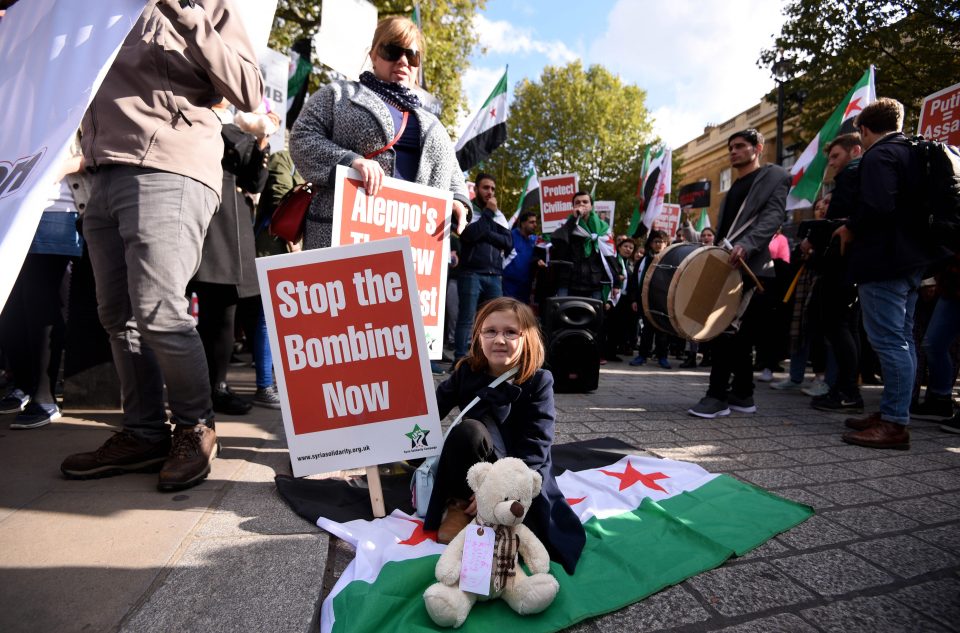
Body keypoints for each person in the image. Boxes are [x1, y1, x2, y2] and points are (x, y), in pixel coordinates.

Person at [60, 0, 263, 492]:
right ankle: (144, 432)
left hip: (169, 164)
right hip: (101, 170)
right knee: (117, 315)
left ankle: (195, 427)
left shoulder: (206, 4)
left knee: (158, 310)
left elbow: (250, 90)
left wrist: (186, 14)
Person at [423, 297, 585, 575]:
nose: (500, 339)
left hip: (519, 468)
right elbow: (427, 413)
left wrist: (501, 492)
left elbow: (537, 443)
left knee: (529, 526)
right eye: (491, 331)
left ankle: (492, 512)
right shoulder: (466, 372)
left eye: (510, 332)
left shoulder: (539, 380)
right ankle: (461, 504)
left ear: (526, 338)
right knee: (467, 431)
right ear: (478, 336)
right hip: (478, 461)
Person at [289, 16, 470, 251]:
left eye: (412, 55)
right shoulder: (339, 95)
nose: (403, 61)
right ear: (373, 55)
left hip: (411, 245)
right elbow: (302, 136)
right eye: (392, 51)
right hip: (345, 235)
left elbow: (452, 172)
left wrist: (458, 202)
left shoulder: (432, 123)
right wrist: (351, 161)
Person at [837, 98, 951, 449]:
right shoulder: (915, 152)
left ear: (865, 130)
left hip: (885, 261)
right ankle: (892, 411)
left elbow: (879, 206)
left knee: (889, 341)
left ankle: (895, 424)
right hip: (914, 261)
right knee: (902, 339)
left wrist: (850, 228)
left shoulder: (878, 155)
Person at [682, 129, 790, 418]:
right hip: (729, 266)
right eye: (731, 147)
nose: (733, 152)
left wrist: (748, 244)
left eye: (740, 146)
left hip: (752, 268)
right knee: (738, 336)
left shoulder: (774, 177)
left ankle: (716, 396)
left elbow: (773, 217)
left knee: (725, 331)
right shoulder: (733, 189)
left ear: (758, 148)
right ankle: (742, 395)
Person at [188, 102, 273, 416]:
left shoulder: (240, 128)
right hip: (201, 216)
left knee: (224, 314)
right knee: (182, 313)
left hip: (229, 223)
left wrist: (261, 139)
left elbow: (255, 182)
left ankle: (216, 386)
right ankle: (193, 388)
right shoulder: (208, 120)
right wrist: (246, 129)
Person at [0, 136, 86, 429]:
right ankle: (22, 386)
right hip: (12, 207)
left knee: (40, 301)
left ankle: (44, 396)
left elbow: (98, 150)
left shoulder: (75, 96)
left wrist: (58, 168)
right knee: (11, 306)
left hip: (56, 211)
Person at [808, 133, 866, 413]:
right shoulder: (863, 174)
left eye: (835, 156)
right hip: (853, 266)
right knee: (848, 328)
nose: (831, 164)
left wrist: (816, 237)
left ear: (855, 150)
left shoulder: (852, 174)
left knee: (837, 326)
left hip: (841, 266)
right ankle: (847, 389)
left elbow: (839, 223)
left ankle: (847, 391)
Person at [454, 173, 513, 361]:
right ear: (477, 189)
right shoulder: (468, 211)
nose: (490, 192)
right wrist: (487, 213)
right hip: (471, 273)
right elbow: (469, 235)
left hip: (494, 275)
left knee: (494, 321)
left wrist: (486, 232)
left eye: (493, 189)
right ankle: (460, 359)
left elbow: (508, 243)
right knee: (467, 319)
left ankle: (486, 359)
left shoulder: (500, 216)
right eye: (486, 188)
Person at [549, 191, 616, 300]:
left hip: (594, 285)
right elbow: (558, 241)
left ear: (591, 206)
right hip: (568, 283)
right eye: (577, 202)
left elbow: (610, 256)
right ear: (573, 206)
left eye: (585, 202)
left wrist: (616, 282)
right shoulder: (566, 224)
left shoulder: (603, 228)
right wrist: (574, 219)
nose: (581, 204)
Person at [629, 231, 671, 368]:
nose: (658, 244)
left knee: (662, 331)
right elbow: (635, 281)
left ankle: (662, 357)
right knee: (647, 330)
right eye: (656, 241)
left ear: (667, 244)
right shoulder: (643, 260)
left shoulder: (671, 260)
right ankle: (642, 356)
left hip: (663, 301)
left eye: (661, 242)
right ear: (651, 244)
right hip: (646, 301)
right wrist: (634, 299)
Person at [502, 210, 545, 303]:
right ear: (523, 224)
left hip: (526, 287)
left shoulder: (535, 240)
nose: (535, 225)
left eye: (536, 222)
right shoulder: (510, 236)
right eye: (531, 222)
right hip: (509, 286)